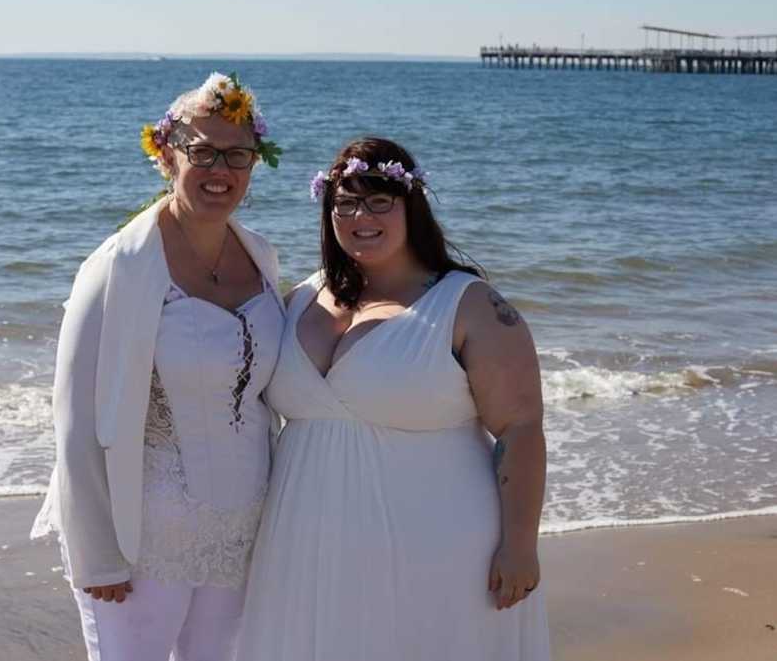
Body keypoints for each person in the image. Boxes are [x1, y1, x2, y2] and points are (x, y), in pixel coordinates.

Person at [237, 137, 551, 660]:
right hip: (306, 544)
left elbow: (520, 427)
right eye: (346, 202)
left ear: (412, 206)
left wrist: (520, 545)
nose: (362, 215)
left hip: (434, 545)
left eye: (380, 200)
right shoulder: (299, 298)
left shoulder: (468, 305)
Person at [31, 71, 285, 661]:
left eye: (238, 155)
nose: (220, 170)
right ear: (168, 154)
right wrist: (99, 556)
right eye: (202, 152)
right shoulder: (117, 266)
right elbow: (72, 419)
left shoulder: (262, 255)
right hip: (139, 538)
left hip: (238, 533)